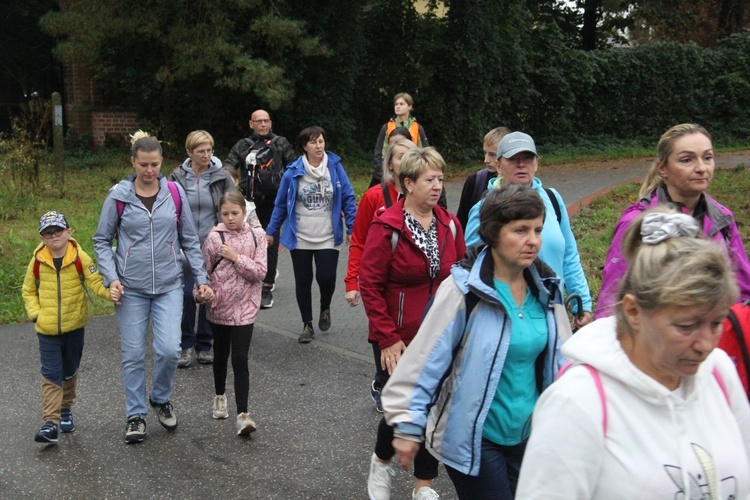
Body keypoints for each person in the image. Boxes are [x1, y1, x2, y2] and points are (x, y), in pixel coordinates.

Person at [515, 209, 750, 498]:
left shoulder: (718, 371)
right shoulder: (576, 402)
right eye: (686, 326)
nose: (705, 344)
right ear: (633, 311)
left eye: (716, 323)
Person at [380, 185, 568, 500]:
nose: (533, 240)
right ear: (493, 233)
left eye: (537, 229)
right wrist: (409, 425)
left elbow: (564, 362)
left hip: (531, 436)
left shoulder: (547, 289)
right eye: (520, 230)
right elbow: (424, 361)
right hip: (476, 438)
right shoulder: (463, 291)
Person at [93, 130, 214, 444]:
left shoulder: (173, 193)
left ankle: (160, 398)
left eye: (155, 164)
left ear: (162, 162)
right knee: (133, 354)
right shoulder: (118, 196)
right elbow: (102, 241)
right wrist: (111, 277)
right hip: (130, 288)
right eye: (143, 164)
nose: (149, 170)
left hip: (170, 285)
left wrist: (201, 279)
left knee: (170, 349)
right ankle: (135, 415)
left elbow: (189, 239)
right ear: (133, 161)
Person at [360, 147, 466, 500]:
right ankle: (381, 460)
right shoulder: (386, 226)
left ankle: (424, 485)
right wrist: (387, 337)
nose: (437, 186)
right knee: (401, 404)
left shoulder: (450, 224)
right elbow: (370, 284)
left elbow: (461, 275)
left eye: (439, 178)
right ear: (408, 184)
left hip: (441, 334)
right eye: (429, 179)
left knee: (435, 405)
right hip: (398, 336)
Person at [596, 123, 750, 318]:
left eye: (708, 157)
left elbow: (743, 289)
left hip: (712, 338)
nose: (701, 168)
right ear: (662, 168)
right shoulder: (638, 223)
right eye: (687, 160)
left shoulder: (723, 218)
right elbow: (611, 301)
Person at [464, 131, 593, 328]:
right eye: (513, 159)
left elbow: (568, 254)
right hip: (505, 317)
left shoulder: (552, 199)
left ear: (536, 163)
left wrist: (581, 303)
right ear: (498, 165)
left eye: (527, 158)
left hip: (553, 312)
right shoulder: (484, 209)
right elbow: (471, 267)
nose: (521, 164)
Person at [22, 211, 112, 444]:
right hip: (47, 330)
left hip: (74, 326)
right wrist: (36, 315)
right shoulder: (38, 260)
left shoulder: (80, 257)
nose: (53, 237)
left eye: (57, 231)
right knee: (51, 374)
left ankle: (65, 410)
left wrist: (110, 293)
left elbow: (94, 282)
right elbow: (28, 291)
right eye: (48, 233)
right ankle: (50, 424)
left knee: (69, 371)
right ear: (42, 238)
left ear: (68, 232)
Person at [265, 126, 357, 343]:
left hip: (328, 234)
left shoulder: (334, 168)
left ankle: (325, 307)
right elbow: (279, 204)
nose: (319, 146)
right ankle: (307, 324)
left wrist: (352, 228)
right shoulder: (293, 172)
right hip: (301, 237)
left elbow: (349, 198)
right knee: (303, 280)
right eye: (314, 142)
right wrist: (271, 231)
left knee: (326, 278)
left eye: (321, 141)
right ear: (304, 146)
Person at [345, 139, 417, 412]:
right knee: (383, 337)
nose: (406, 161)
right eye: (400, 157)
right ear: (390, 164)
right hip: (379, 285)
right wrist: (352, 282)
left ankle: (394, 387)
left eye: (411, 155)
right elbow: (359, 241)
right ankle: (383, 382)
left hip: (410, 286)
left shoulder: (423, 196)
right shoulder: (375, 196)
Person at [199, 191, 267, 436]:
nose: (230, 218)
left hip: (246, 309)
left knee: (240, 359)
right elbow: (204, 272)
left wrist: (236, 258)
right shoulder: (214, 238)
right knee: (220, 355)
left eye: (235, 213)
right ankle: (219, 396)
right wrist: (202, 294)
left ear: (244, 212)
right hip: (219, 307)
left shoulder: (257, 236)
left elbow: (260, 273)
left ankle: (243, 414)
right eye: (225, 213)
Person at [170, 130, 235, 368]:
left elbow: (234, 205)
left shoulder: (221, 176)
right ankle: (185, 345)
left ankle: (205, 345)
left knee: (209, 294)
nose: (206, 155)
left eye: (209, 150)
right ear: (189, 152)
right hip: (184, 246)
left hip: (213, 245)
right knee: (188, 295)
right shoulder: (177, 177)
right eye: (201, 151)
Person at [224, 109, 296, 310]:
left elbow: (294, 167)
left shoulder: (281, 143)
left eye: (266, 121)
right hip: (249, 202)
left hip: (275, 201)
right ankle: (252, 276)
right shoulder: (243, 145)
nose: (263, 125)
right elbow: (228, 168)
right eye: (259, 121)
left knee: (270, 242)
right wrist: (233, 190)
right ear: (251, 123)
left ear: (271, 123)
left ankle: (266, 286)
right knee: (249, 241)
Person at [455, 127, 511, 229]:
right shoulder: (475, 181)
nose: (486, 160)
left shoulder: (520, 180)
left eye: (492, 155)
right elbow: (461, 222)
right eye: (485, 153)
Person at [370, 92, 429, 188]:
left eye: (401, 104)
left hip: (411, 169)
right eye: (396, 104)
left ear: (410, 106)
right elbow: (379, 152)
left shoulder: (418, 128)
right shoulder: (386, 127)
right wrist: (380, 174)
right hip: (389, 171)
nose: (398, 106)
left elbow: (425, 151)